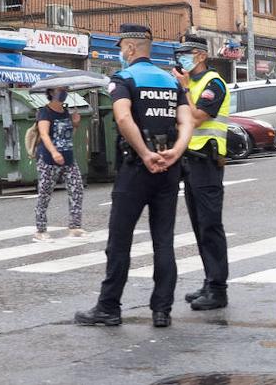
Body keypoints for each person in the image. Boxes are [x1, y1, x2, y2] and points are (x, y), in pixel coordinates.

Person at [75, 24, 194, 329]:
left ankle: (109, 307)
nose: (120, 54)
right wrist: (175, 152)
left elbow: (123, 116)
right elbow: (187, 120)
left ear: (129, 48)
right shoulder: (170, 80)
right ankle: (161, 310)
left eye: (120, 49)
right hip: (168, 169)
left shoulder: (124, 78)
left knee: (119, 241)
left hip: (137, 169)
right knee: (163, 240)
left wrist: (144, 153)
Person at [173, 35, 231, 310]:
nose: (182, 58)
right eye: (180, 53)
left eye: (187, 53)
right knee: (199, 226)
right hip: (190, 161)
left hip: (207, 160)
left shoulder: (212, 83)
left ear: (201, 56)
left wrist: (183, 90)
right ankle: (209, 282)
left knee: (210, 225)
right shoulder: (192, 83)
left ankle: (218, 290)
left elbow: (196, 117)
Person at [33, 87, 87, 242]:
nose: (64, 92)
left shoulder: (66, 112)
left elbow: (68, 136)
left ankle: (75, 227)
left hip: (68, 158)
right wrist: (54, 152)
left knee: (77, 189)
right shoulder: (45, 112)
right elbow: (43, 134)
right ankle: (40, 230)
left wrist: (75, 124)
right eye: (60, 90)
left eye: (65, 90)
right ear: (51, 93)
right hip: (48, 159)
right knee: (45, 193)